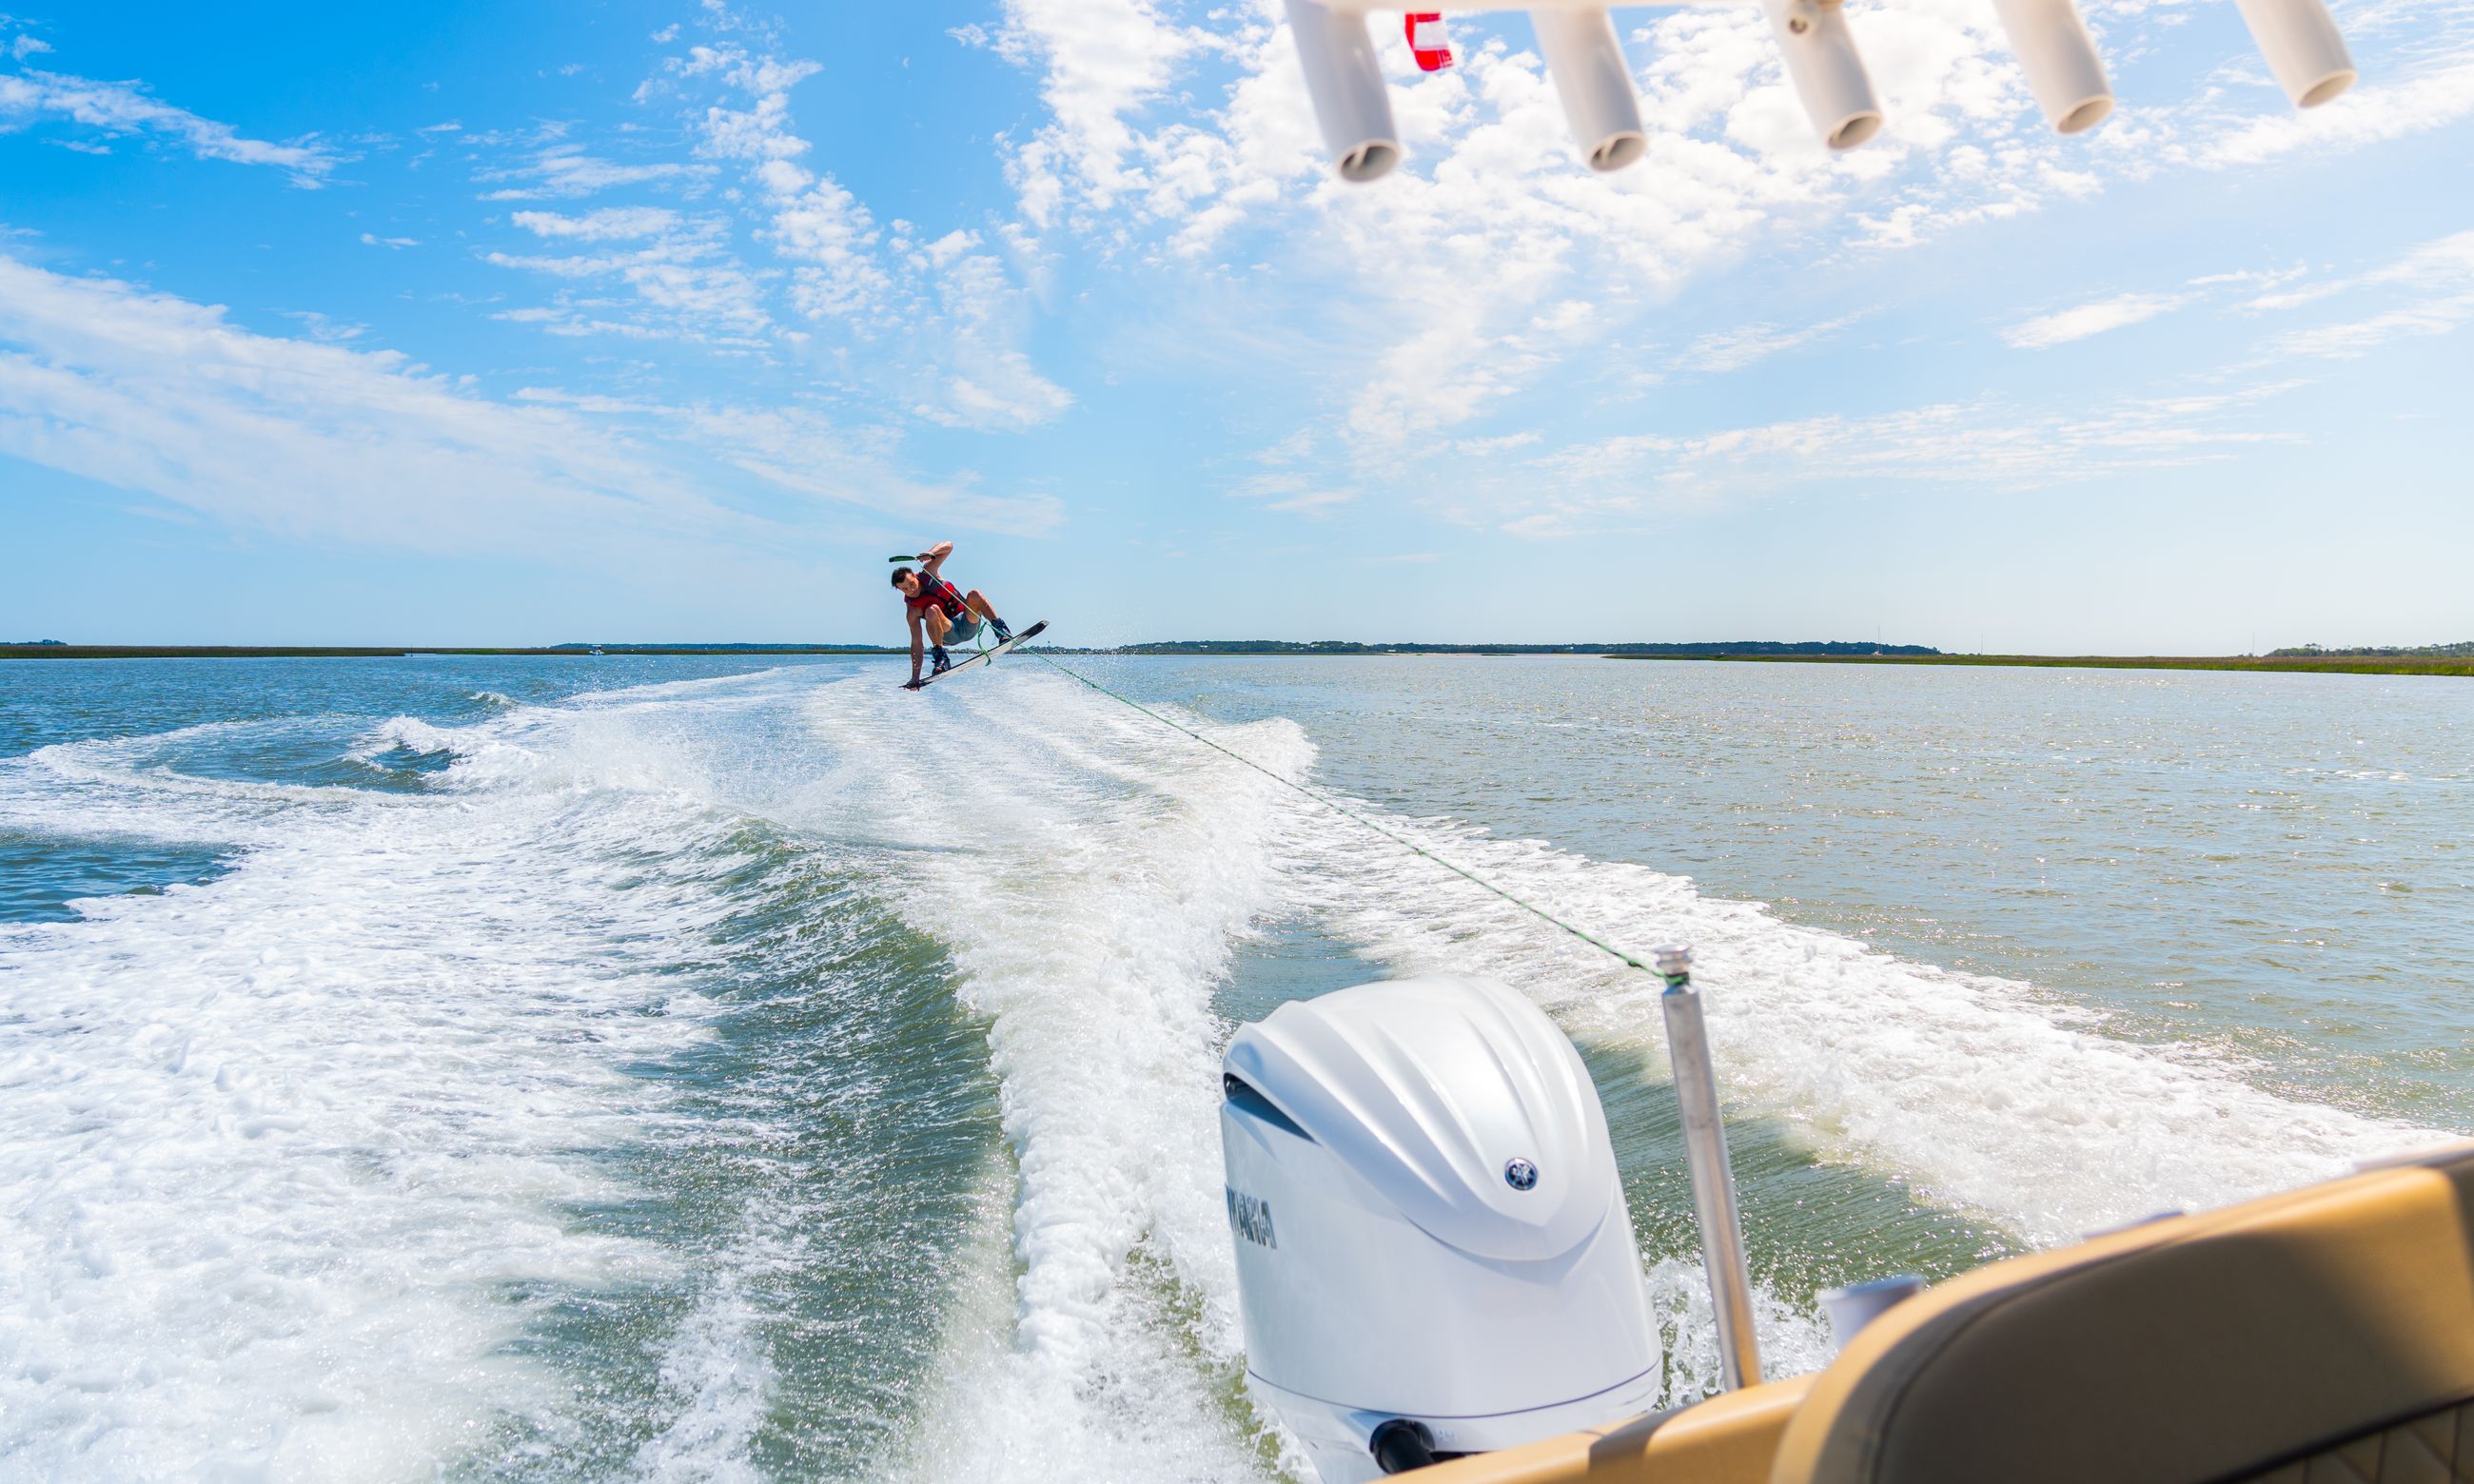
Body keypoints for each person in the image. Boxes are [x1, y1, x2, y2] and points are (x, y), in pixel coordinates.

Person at [892, 540, 1012, 687]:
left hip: (968, 622)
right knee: (932, 610)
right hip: (948, 633)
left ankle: (1002, 632)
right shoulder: (912, 611)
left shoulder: (929, 572)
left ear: (915, 576)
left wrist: (931, 553)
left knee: (974, 594)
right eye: (904, 589)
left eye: (911, 584)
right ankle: (941, 659)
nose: (910, 590)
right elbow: (917, 643)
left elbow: (948, 546)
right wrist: (915, 677)